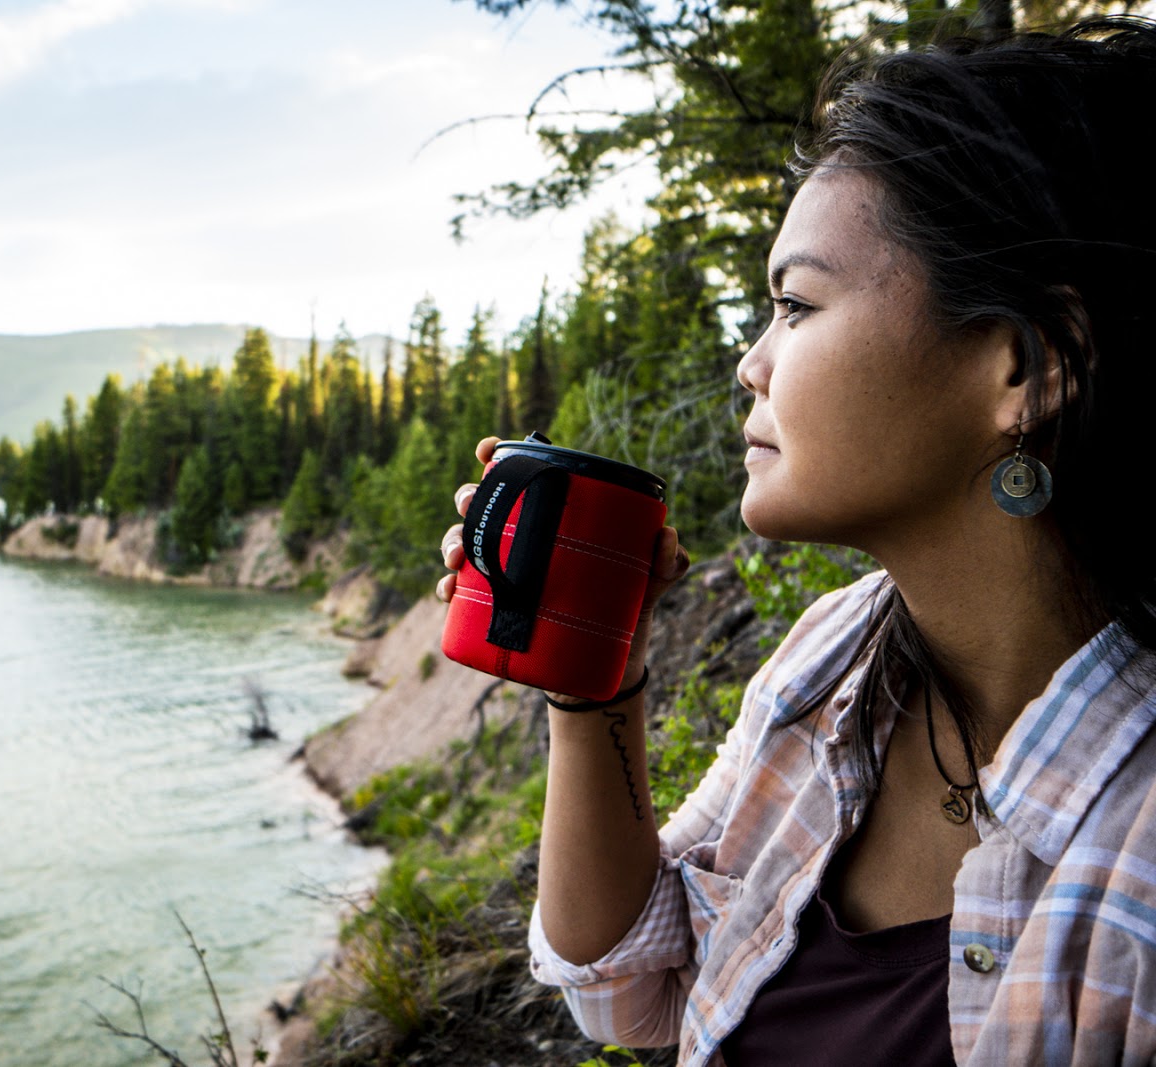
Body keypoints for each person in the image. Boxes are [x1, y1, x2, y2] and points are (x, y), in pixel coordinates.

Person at [437, 17, 1156, 1066]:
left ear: (1021, 366)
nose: (749, 362)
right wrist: (594, 684)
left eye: (794, 304)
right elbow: (631, 989)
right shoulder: (836, 658)